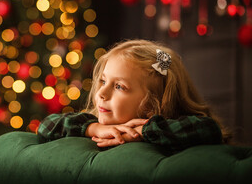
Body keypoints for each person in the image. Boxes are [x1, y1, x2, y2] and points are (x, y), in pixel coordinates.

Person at [37, 39, 229, 151]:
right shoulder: (91, 122)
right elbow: (47, 126)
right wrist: (93, 128)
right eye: (103, 81)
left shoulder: (173, 128)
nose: (101, 93)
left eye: (119, 86)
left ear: (152, 104)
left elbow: (208, 129)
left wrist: (139, 132)